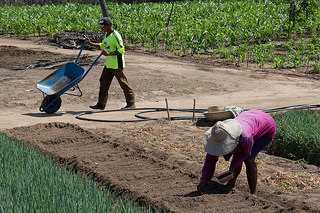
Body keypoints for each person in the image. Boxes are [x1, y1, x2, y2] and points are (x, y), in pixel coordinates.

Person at [197, 109, 276, 195]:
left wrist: (234, 166)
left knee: (249, 159)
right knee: (236, 155)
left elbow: (246, 153)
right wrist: (203, 181)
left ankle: (253, 193)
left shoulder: (245, 137)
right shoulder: (217, 135)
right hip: (250, 117)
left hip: (266, 127)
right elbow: (210, 161)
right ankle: (231, 184)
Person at [85, 17, 135, 110]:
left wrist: (108, 54)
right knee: (103, 82)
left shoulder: (116, 36)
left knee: (124, 84)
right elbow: (102, 45)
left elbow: (121, 50)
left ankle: (131, 104)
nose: (101, 28)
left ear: (109, 25)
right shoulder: (107, 35)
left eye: (103, 27)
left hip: (117, 65)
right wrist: (90, 43)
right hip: (109, 64)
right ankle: (101, 105)